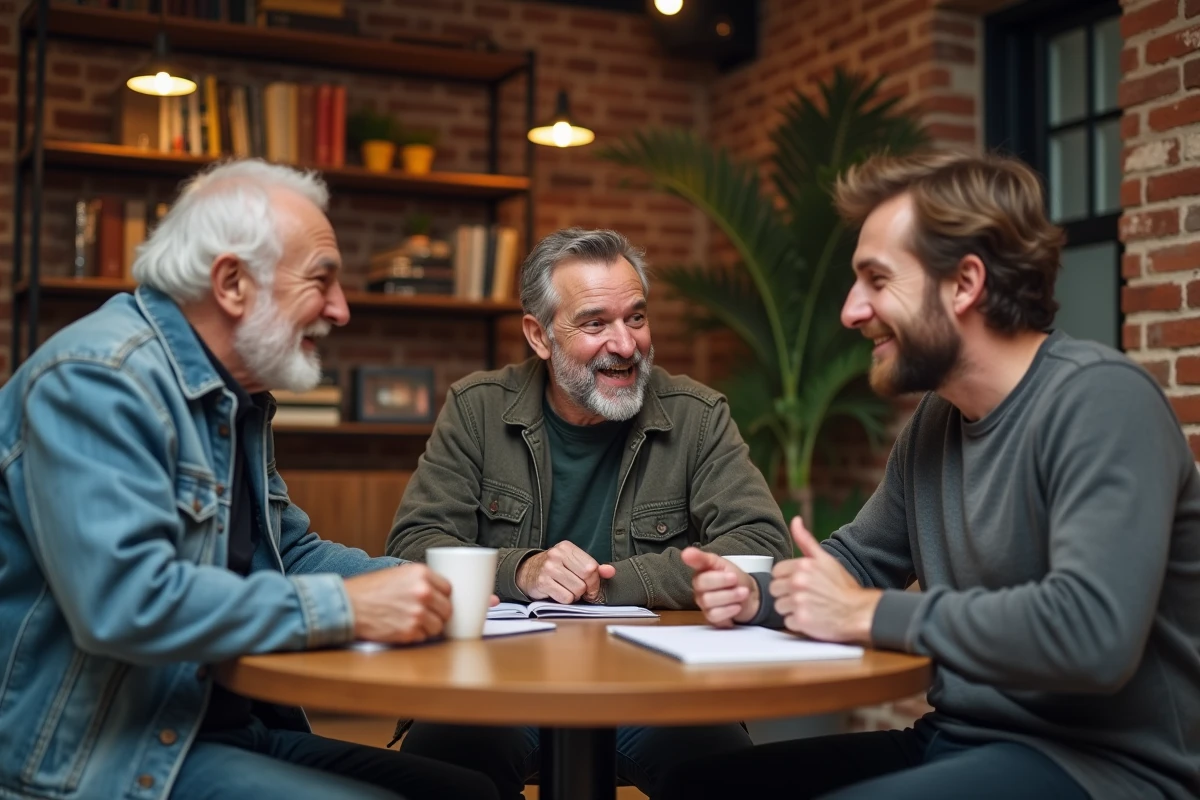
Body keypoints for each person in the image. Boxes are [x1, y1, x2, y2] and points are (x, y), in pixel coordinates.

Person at [667, 151, 1200, 800]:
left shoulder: (1102, 401)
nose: (851, 311)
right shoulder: (935, 421)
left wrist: (866, 613)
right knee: (699, 786)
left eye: (876, 280)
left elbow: (1092, 633)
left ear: (964, 283)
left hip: (1107, 770)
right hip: (960, 740)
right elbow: (857, 564)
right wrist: (757, 596)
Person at [0, 160, 500, 800]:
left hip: (219, 727)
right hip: (104, 756)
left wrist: (425, 589)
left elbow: (289, 553)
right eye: (321, 279)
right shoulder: (98, 379)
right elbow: (123, 603)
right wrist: (350, 608)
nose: (341, 309)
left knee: (471, 791)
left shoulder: (235, 397)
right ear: (232, 283)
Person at [386, 227, 790, 798]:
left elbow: (763, 548)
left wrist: (613, 586)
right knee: (440, 770)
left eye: (636, 318)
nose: (625, 345)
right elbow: (413, 548)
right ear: (540, 335)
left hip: (659, 686)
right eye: (595, 323)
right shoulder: (477, 409)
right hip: (497, 685)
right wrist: (523, 570)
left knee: (734, 779)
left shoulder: (698, 416)